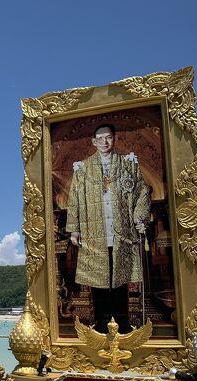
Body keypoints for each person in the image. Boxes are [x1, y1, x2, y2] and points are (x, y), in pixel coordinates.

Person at [65, 124, 151, 325]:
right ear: (93, 142)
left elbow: (142, 192)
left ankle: (122, 325)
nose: (105, 142)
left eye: (109, 137)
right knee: (98, 280)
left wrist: (139, 218)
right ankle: (102, 325)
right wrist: (74, 230)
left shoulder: (128, 163)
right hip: (94, 233)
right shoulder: (83, 168)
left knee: (120, 279)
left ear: (115, 139)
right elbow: (74, 199)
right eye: (100, 138)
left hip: (122, 232)